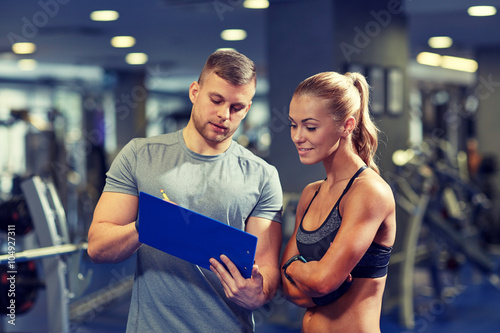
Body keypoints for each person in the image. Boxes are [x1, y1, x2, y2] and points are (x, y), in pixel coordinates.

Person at [87, 50, 283, 333]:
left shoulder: (262, 175)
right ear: (195, 92)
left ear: (248, 108)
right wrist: (147, 226)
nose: (224, 115)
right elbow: (97, 247)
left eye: (236, 108)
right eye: (216, 100)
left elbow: (267, 268)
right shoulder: (139, 155)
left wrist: (259, 292)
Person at [281, 71, 396, 332]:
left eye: (310, 127)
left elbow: (322, 282)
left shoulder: (368, 192)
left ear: (346, 125)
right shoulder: (310, 194)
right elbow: (289, 290)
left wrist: (295, 268)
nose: (298, 136)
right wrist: (301, 272)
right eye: (293, 124)